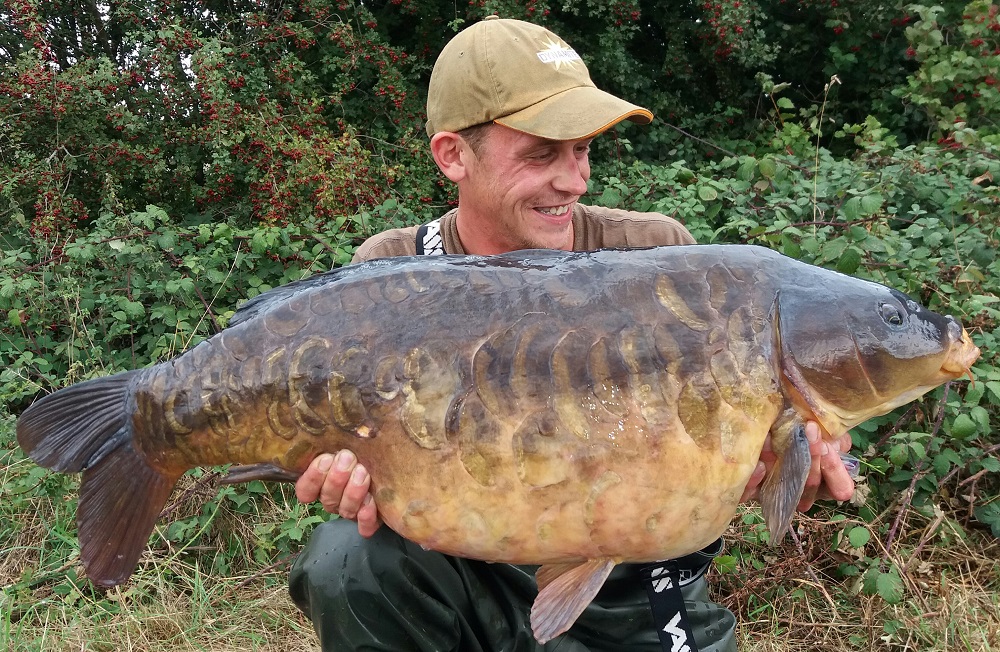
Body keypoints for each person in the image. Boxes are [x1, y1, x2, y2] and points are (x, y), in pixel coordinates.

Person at [288, 16, 855, 651]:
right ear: (453, 155)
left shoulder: (656, 257)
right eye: (540, 153)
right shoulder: (391, 276)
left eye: (582, 149)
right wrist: (343, 471)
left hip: (637, 586)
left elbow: (724, 446)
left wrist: (779, 460)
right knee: (349, 559)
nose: (574, 179)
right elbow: (347, 451)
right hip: (464, 568)